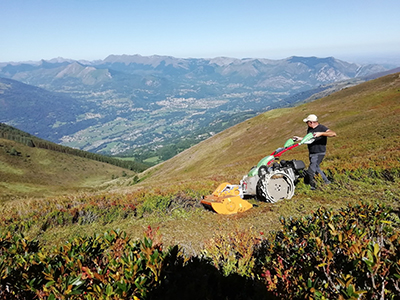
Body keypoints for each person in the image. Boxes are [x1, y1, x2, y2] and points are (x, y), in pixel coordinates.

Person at [293, 114, 336, 190]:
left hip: (319, 152)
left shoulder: (321, 128)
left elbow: (333, 134)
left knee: (311, 170)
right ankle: (326, 182)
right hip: (312, 152)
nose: (307, 124)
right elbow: (310, 139)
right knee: (316, 168)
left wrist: (321, 133)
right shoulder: (309, 129)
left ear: (311, 122)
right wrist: (300, 139)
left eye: (307, 122)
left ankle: (312, 185)